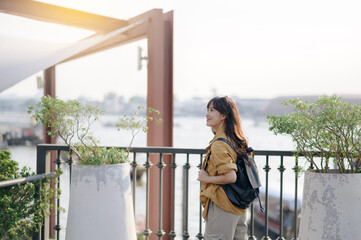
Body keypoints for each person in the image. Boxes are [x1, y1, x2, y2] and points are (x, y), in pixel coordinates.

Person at [197, 96, 250, 240]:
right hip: (238, 206)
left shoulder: (220, 144)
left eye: (212, 110)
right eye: (207, 110)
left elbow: (230, 176)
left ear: (224, 115)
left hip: (223, 205)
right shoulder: (235, 140)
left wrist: (206, 178)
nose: (207, 114)